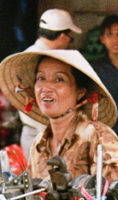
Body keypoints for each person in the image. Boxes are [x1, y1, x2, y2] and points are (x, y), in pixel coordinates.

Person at [0, 48, 118, 200]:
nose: (46, 88)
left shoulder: (97, 136)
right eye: (41, 78)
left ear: (80, 92)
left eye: (59, 80)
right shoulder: (39, 144)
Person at [19, 9, 82, 155]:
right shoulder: (35, 58)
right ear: (62, 36)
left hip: (41, 132)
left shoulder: (27, 55)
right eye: (70, 38)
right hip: (40, 131)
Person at [90, 15, 118, 152]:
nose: (115, 40)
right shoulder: (96, 70)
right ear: (102, 39)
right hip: (111, 139)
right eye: (110, 35)